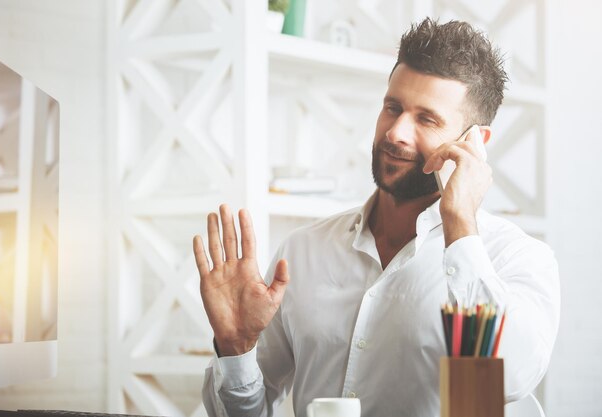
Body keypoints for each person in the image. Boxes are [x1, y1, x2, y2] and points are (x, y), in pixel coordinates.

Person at [193, 17, 560, 417]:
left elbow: (509, 379)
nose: (396, 132)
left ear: (475, 142)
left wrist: (460, 222)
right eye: (393, 107)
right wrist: (236, 347)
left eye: (427, 119)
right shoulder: (303, 251)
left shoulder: (516, 258)